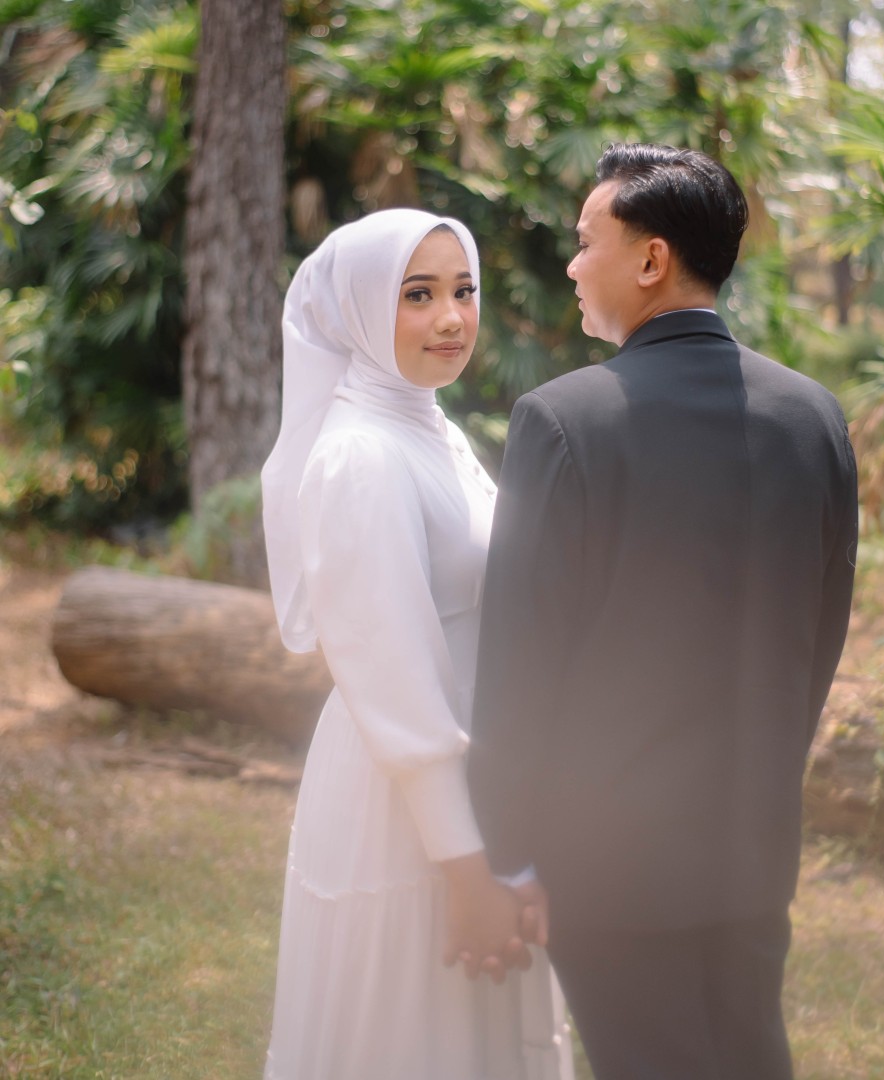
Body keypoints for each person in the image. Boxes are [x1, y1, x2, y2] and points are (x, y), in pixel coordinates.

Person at [466, 144, 859, 1079]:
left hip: (609, 864)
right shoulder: (814, 417)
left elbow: (522, 659)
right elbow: (821, 637)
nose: (572, 265)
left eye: (585, 241)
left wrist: (506, 853)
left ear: (651, 260)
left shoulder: (563, 421)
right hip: (754, 845)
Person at [259, 209, 573, 1080]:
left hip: (477, 780)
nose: (451, 318)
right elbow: (393, 676)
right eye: (418, 295)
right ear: (361, 308)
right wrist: (468, 873)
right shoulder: (361, 456)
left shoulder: (428, 426)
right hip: (407, 804)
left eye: (463, 291)